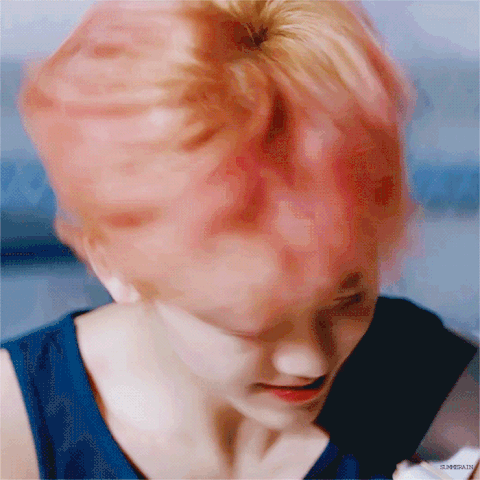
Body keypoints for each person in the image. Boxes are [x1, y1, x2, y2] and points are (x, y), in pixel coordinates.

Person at [1, 1, 477, 479]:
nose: (309, 358)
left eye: (348, 300)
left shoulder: (444, 402)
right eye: (255, 322)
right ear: (114, 263)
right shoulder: (15, 435)